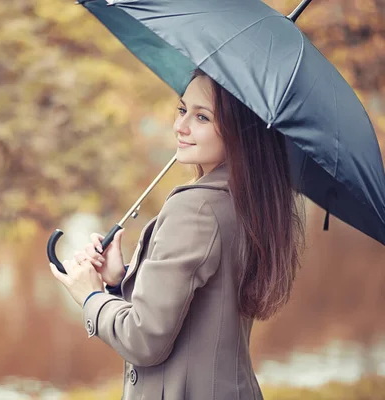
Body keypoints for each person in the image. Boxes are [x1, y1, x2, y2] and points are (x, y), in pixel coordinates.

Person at [49, 68, 305, 399]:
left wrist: (91, 298)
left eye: (202, 117)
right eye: (183, 109)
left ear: (239, 131)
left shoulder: (196, 209)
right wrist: (118, 281)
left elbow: (143, 340)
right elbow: (194, 310)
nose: (180, 127)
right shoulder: (248, 200)